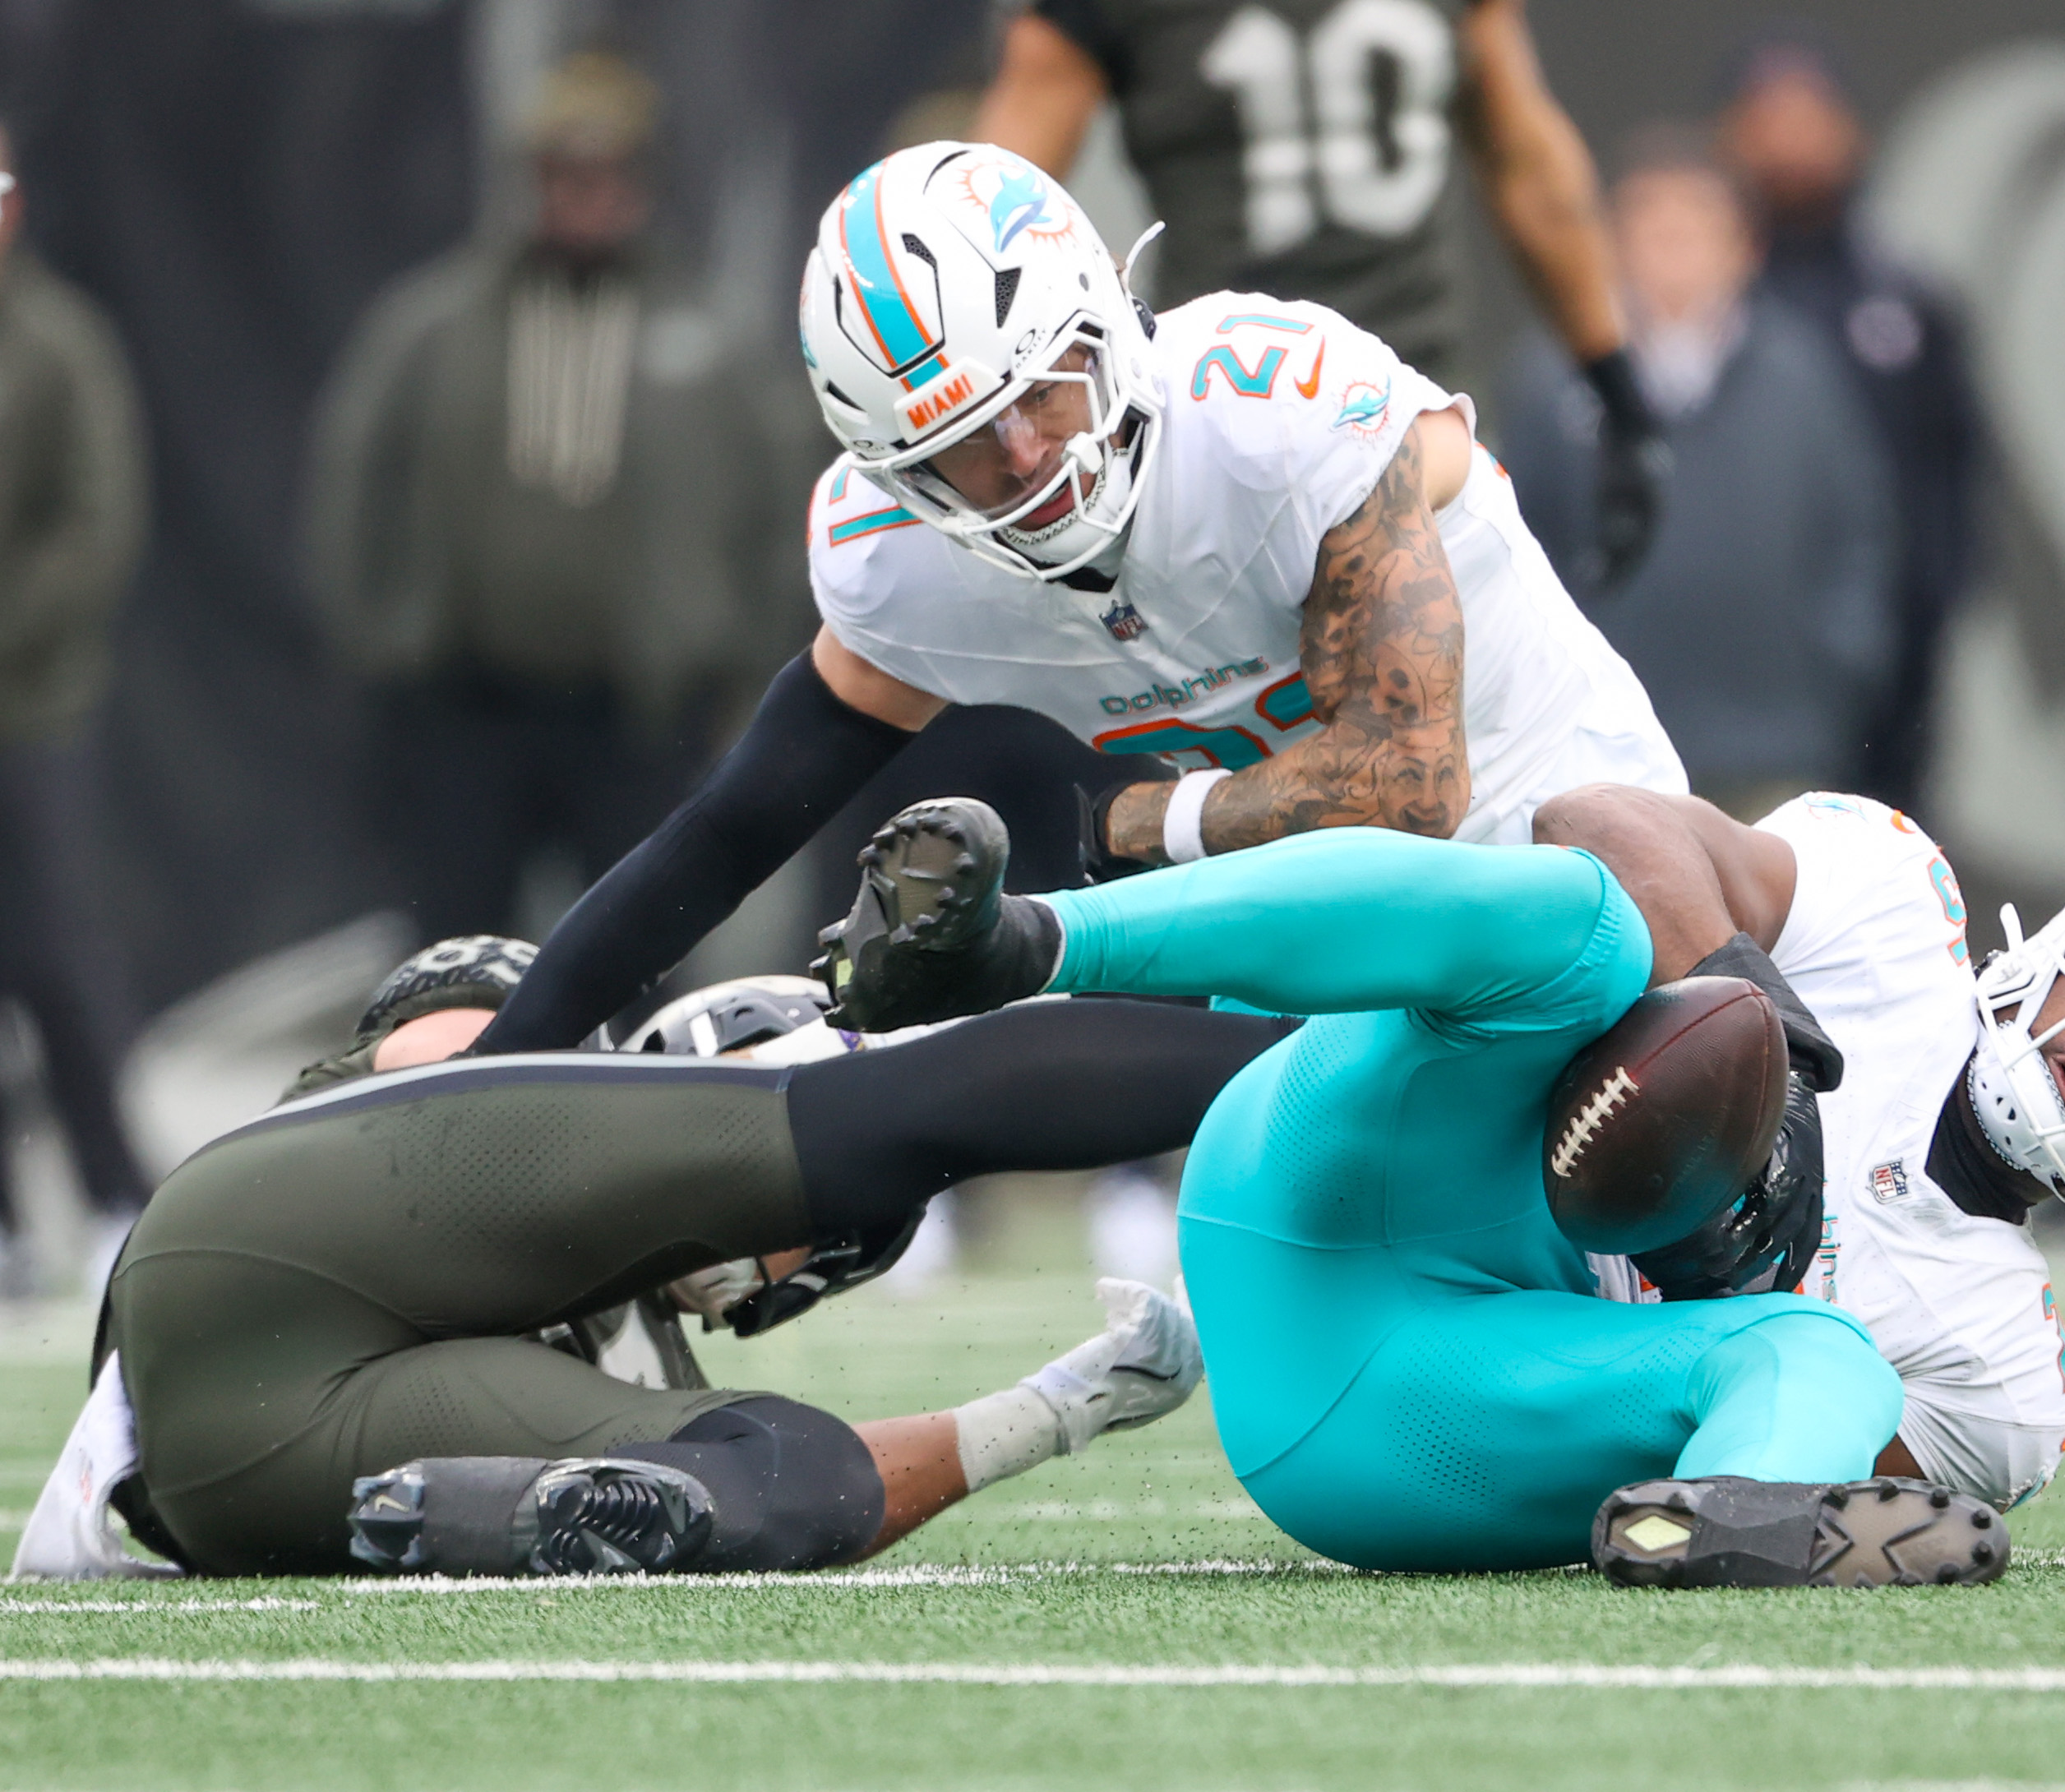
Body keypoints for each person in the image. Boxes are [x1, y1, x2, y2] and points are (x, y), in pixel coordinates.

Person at [818, 773, 2065, 1574]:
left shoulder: (2004, 1369)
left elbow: (1833, 1442)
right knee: (1587, 926)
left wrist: (1734, 1306)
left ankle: (1728, 1528)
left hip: (1398, 1407)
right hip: (1317, 1163)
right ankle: (1030, 942)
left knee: (1807, 1348)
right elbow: (1596, 813)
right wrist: (1759, 1036)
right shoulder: (1887, 906)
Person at [470, 140, 1682, 1058]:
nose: (1029, 458)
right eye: (966, 446)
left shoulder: (1272, 411)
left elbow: (1411, 789)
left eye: (1043, 390)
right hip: (1315, 971)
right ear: (897, 471)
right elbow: (728, 832)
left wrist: (1139, 828)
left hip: (1578, 855)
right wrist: (498, 1061)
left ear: (1104, 314)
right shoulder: (902, 564)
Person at [16, 935, 1293, 1579]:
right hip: (252, 1269)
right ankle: (1327, 1061)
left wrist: (1056, 1410)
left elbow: (819, 1486)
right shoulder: (495, 1089)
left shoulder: (635, 1319)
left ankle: (490, 1527)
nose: (791, 1270)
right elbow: (436, 1063)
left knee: (792, 1481)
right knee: (899, 1118)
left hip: (244, 1481)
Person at [303, 52, 806, 946]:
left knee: (636, 947)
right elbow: (355, 478)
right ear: (530, 182)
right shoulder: (438, 326)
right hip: (469, 711)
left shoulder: (707, 342)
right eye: (563, 174)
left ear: (643, 184)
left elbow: (773, 512)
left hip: (635, 718)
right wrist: (384, 641)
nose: (585, 195)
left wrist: (735, 665)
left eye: (607, 173)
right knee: (449, 948)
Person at [974, 0, 1667, 584]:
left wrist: (1617, 389)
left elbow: (985, 220)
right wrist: (1615, 387)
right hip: (1227, 427)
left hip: (1398, 411)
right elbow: (993, 212)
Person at [1505, 131, 1893, 818]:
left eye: (1695, 228)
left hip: (1776, 756)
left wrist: (1834, 671)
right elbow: (1513, 548)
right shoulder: (1549, 382)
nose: (1672, 248)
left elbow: (1859, 538)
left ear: (1746, 249)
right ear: (1612, 248)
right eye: (1651, 228)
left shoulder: (1805, 375)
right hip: (1600, 767)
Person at [1714, 32, 1982, 816]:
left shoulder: (1906, 306)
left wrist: (1908, 622)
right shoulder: (1697, 314)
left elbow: (1956, 470)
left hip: (1886, 683)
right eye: (1769, 119)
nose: (1791, 143)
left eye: (1810, 117)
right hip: (1727, 679)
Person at [0, 127, 155, 1288]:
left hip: (31, 706)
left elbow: (93, 527)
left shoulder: (57, 343)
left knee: (57, 956)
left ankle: (112, 1194)